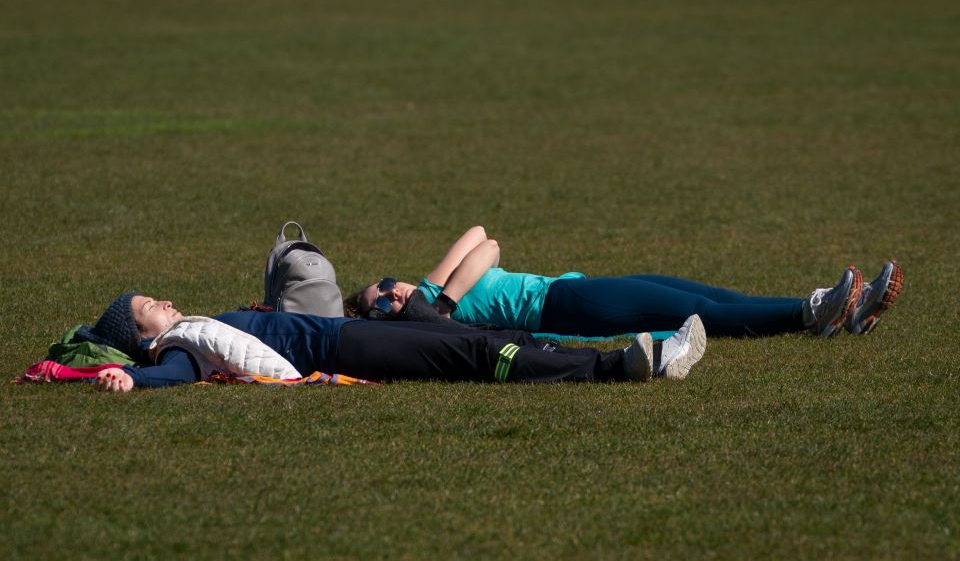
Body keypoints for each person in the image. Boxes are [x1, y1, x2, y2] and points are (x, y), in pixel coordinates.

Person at [345, 226, 904, 339]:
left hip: (575, 289)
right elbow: (484, 249)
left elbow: (484, 238)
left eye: (385, 283)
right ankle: (811, 310)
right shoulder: (426, 324)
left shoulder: (432, 298)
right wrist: (432, 305)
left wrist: (434, 290)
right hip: (565, 307)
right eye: (383, 303)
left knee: (705, 295)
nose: (392, 293)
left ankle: (844, 315)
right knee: (695, 310)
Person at [82, 293, 708, 392]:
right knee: (474, 356)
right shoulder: (175, 350)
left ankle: (622, 354)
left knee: (483, 337)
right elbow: (181, 377)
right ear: (142, 333)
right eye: (148, 306)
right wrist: (134, 378)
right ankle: (621, 367)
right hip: (346, 352)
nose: (163, 301)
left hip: (354, 332)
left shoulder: (198, 324)